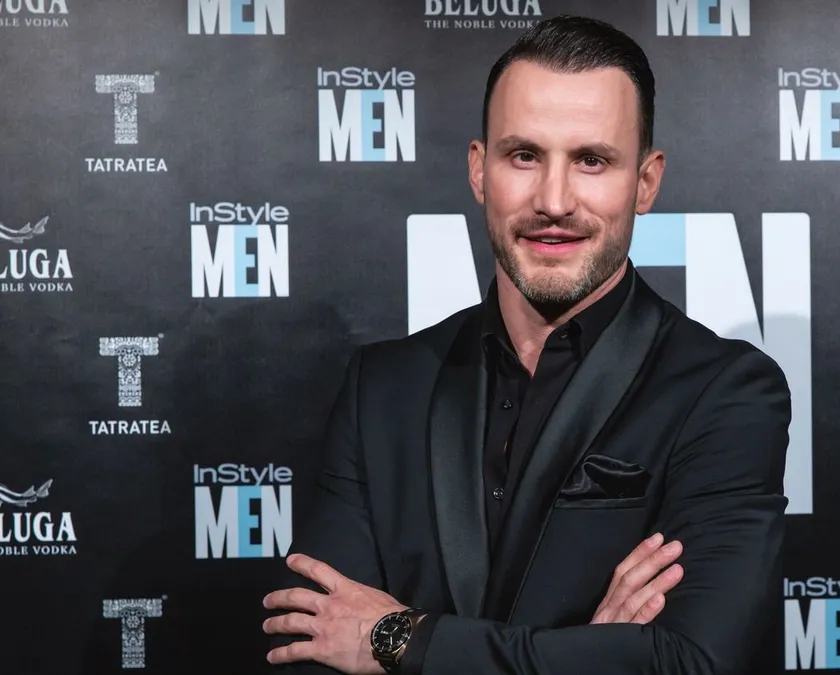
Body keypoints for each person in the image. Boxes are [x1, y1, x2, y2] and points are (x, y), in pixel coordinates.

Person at [262, 14, 790, 675]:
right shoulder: (382, 388)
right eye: (524, 156)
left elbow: (688, 661)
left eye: (592, 160)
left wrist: (400, 638)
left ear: (645, 182)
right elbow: (313, 651)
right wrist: (588, 653)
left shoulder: (725, 393)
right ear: (479, 170)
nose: (554, 200)